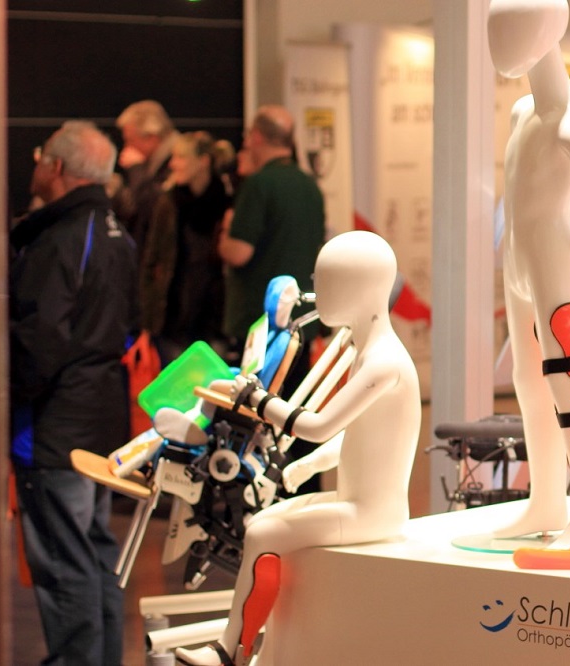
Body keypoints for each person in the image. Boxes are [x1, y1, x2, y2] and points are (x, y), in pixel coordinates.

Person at [174, 231, 422, 666]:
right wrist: (308, 466)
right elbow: (359, 434)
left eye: (327, 283)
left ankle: (229, 652)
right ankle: (264, 649)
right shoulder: (369, 351)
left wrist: (257, 400)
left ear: (361, 288)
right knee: (264, 522)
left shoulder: (384, 362)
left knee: (262, 533)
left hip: (371, 512)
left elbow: (320, 425)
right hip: (355, 502)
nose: (316, 292)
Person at [487, 0, 570, 549]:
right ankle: (545, 498)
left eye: (510, 28)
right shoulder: (523, 113)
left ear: (548, 29)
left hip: (557, 259)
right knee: (527, 382)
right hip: (519, 258)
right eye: (495, 29)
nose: (499, 43)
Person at [10, 120, 136, 666]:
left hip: (56, 424)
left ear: (55, 167)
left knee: (65, 561)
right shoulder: (115, 231)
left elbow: (40, 340)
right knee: (92, 551)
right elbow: (130, 324)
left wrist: (13, 396)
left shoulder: (62, 237)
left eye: (40, 155)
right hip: (99, 417)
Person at [219, 105, 325, 373]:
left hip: (262, 322)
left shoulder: (259, 184)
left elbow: (239, 252)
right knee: (295, 396)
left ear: (256, 136)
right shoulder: (309, 185)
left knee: (259, 396)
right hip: (302, 318)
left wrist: (225, 231)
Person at [141, 132, 234, 362]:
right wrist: (147, 321)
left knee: (214, 382)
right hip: (173, 319)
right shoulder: (167, 202)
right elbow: (151, 261)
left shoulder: (227, 201)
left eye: (181, 157)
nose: (173, 164)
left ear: (203, 161)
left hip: (215, 318)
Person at [114, 99, 178, 255]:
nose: (127, 148)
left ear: (152, 138)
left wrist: (136, 169)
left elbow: (152, 205)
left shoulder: (177, 162)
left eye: (131, 140)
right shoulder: (151, 164)